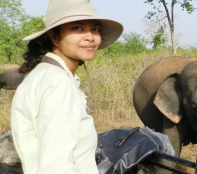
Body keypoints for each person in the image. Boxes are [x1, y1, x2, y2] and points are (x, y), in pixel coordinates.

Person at [10, 0, 123, 173]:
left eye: (95, 29)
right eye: (77, 28)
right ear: (54, 37)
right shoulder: (58, 84)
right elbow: (56, 167)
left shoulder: (46, 75)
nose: (90, 37)